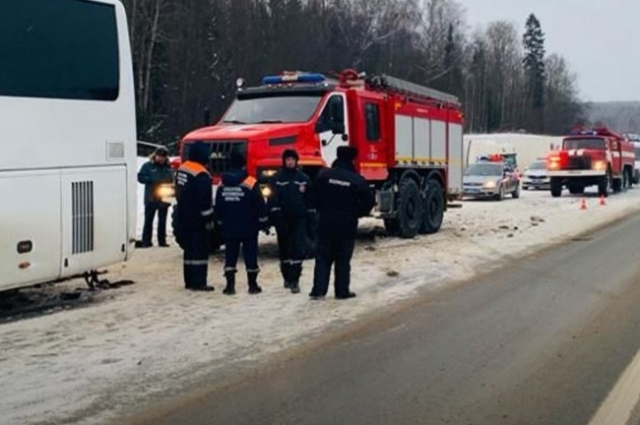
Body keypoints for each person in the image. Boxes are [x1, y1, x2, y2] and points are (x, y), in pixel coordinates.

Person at [309, 146, 375, 300]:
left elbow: (312, 195)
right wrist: (356, 212)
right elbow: (369, 202)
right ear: (352, 159)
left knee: (323, 258)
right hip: (347, 224)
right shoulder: (357, 180)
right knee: (343, 259)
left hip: (325, 222)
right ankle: (342, 291)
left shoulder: (323, 175)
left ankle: (318, 291)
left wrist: (321, 209)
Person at [215, 150, 269, 295]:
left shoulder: (222, 183)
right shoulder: (250, 182)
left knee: (230, 255)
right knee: (250, 255)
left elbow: (218, 205)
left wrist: (219, 222)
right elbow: (259, 204)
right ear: (244, 164)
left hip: (229, 226)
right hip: (249, 226)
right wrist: (263, 222)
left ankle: (230, 286)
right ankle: (253, 285)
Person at [268, 149, 315, 294]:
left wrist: (311, 216)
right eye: (288, 159)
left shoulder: (303, 178)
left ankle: (295, 279)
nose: (290, 162)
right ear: (284, 161)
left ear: (296, 161)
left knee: (298, 247)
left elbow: (310, 198)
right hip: (282, 219)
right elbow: (272, 198)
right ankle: (287, 277)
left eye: (292, 159)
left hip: (299, 218)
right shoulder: (276, 178)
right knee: (284, 248)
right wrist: (275, 214)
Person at [174, 142, 215, 292]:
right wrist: (209, 219)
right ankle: (199, 282)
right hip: (197, 219)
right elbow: (205, 200)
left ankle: (189, 281)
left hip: (183, 215)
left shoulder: (182, 169)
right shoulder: (201, 174)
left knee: (189, 250)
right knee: (199, 251)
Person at [137, 146, 173, 248]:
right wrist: (151, 179)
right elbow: (140, 177)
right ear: (155, 155)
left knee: (163, 220)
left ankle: (162, 241)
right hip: (151, 196)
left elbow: (172, 180)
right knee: (148, 219)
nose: (161, 159)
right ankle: (146, 241)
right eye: (159, 156)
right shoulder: (148, 166)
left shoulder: (169, 167)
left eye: (163, 157)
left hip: (164, 196)